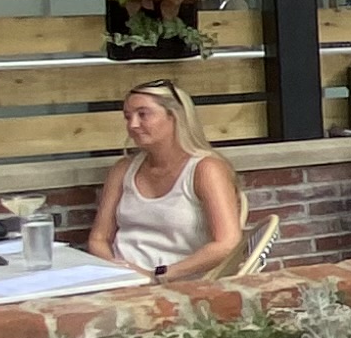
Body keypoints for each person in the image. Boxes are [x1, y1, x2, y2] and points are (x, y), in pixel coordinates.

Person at [86, 81, 247, 284]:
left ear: (174, 116)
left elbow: (227, 243)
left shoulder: (205, 169)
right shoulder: (124, 169)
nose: (132, 125)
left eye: (143, 114)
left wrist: (159, 275)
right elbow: (98, 238)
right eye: (128, 117)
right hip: (122, 281)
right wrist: (117, 270)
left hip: (181, 284)